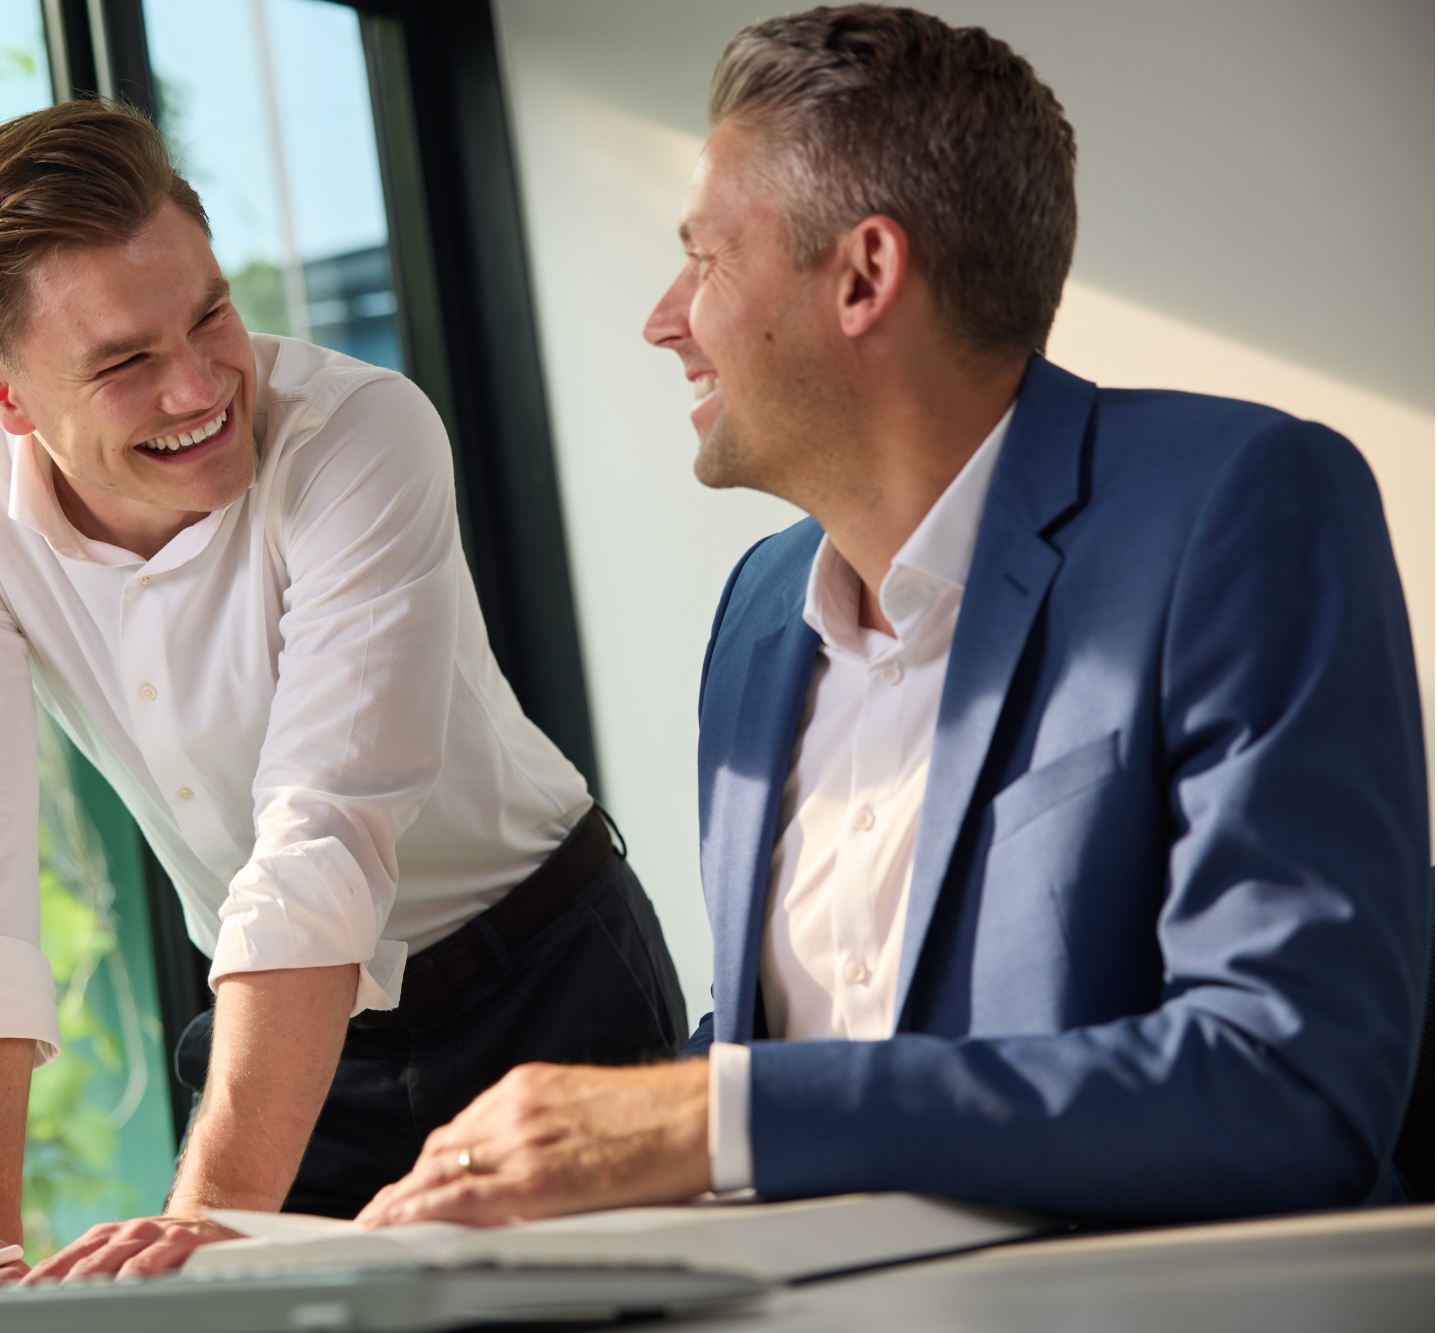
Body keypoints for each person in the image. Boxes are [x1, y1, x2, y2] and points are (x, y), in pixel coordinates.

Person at [359, 4, 1428, 1230]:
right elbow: (784, 1042)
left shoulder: (1239, 507)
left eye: (705, 259)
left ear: (863, 276)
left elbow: (1289, 1088)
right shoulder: (758, 614)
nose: (665, 318)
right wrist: (538, 1171)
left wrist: (716, 1116)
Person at [0, 99, 684, 1299]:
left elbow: (320, 837)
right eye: (124, 362)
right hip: (281, 1044)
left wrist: (205, 1216)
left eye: (209, 314)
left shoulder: (361, 434)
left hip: (539, 984)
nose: (197, 386)